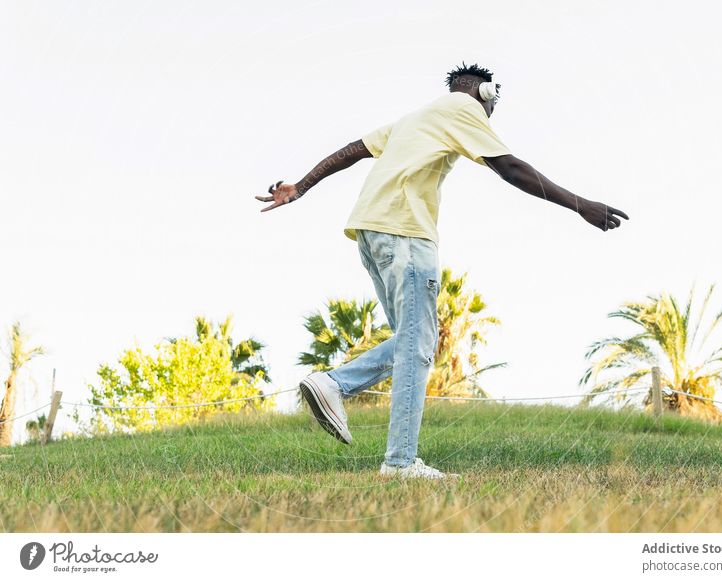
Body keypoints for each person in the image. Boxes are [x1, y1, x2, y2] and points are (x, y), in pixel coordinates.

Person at [255, 62, 629, 480]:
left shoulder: (415, 118)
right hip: (406, 233)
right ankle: (376, 435)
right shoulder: (463, 109)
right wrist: (581, 205)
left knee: (412, 342)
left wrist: (301, 187)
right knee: (417, 344)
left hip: (370, 232)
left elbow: (350, 151)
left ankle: (353, 406)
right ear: (485, 93)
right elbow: (511, 168)